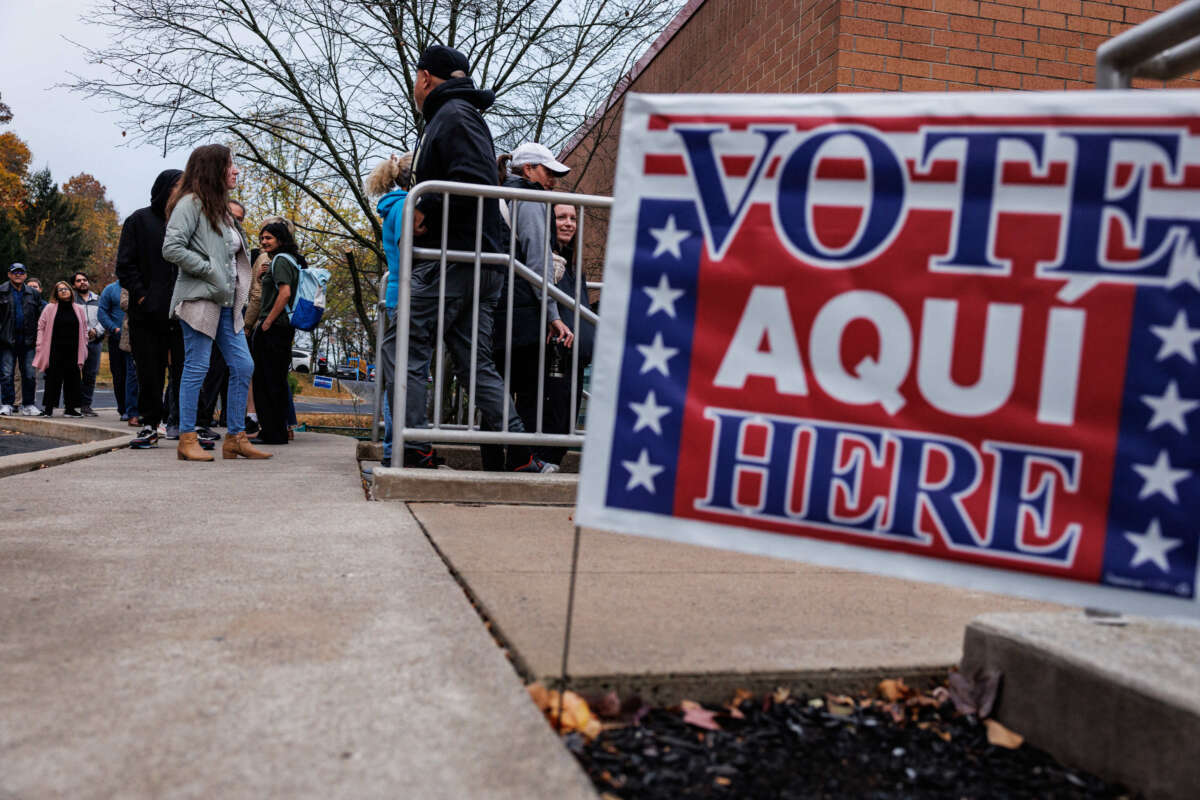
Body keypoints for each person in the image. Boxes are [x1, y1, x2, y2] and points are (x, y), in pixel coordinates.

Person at [405, 44, 550, 472]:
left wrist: (423, 208)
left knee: (407, 344)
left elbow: (473, 176)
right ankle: (521, 453)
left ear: (426, 76)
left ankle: (412, 446)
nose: (416, 86)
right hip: (479, 259)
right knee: (474, 360)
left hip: (458, 257)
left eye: (416, 78)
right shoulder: (461, 114)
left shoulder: (453, 116)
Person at [162, 144, 268, 461]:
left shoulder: (219, 208)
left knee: (243, 364)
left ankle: (235, 437)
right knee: (196, 366)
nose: (236, 171)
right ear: (213, 169)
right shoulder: (190, 204)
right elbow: (172, 247)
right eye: (230, 165)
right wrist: (208, 269)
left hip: (226, 304)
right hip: (199, 300)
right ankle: (187, 437)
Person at [485, 143, 576, 472]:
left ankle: (494, 465)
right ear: (528, 170)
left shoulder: (499, 193)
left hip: (494, 304)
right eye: (548, 171)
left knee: (495, 388)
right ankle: (521, 462)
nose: (553, 179)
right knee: (527, 391)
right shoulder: (532, 198)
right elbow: (537, 260)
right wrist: (552, 314)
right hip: (521, 307)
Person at [115, 169, 186, 449]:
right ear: (165, 188)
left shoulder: (188, 221)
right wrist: (143, 297)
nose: (183, 192)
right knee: (149, 371)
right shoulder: (139, 220)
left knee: (184, 370)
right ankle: (149, 424)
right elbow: (125, 265)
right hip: (146, 312)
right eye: (179, 186)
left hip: (182, 311)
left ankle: (184, 424)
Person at [365, 151, 413, 467]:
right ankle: (393, 452)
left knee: (400, 376)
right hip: (405, 296)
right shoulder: (407, 207)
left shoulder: (394, 206)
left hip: (400, 295)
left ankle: (393, 450)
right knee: (401, 379)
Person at [250, 221, 302, 445]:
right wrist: (265, 276)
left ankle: (271, 432)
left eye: (269, 238)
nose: (263, 242)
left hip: (274, 327)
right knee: (276, 379)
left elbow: (285, 293)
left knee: (266, 380)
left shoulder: (280, 260)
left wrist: (267, 322)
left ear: (280, 240)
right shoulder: (287, 260)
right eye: (262, 238)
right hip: (283, 328)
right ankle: (277, 430)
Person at [33, 281, 87, 417]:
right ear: (56, 293)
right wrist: (39, 344)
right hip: (54, 349)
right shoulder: (50, 308)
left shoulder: (78, 309)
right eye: (60, 290)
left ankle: (70, 409)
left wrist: (85, 344)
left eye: (66, 289)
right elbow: (41, 327)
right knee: (53, 379)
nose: (63, 291)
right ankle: (48, 409)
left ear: (71, 291)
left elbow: (85, 329)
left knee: (73, 379)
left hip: (73, 349)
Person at [0, 263, 44, 415]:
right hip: (6, 341)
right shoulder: (1, 291)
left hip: (29, 341)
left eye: (21, 272)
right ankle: (7, 404)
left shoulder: (33, 294)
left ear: (25, 275)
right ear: (9, 274)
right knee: (6, 374)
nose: (18, 274)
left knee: (30, 375)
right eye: (15, 272)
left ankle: (29, 405)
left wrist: (39, 338)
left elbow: (41, 317)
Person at [97, 277, 139, 424]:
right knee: (119, 374)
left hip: (135, 336)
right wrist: (114, 328)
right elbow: (102, 312)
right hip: (117, 337)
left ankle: (132, 409)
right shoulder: (110, 289)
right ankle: (123, 408)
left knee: (133, 374)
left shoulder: (138, 284)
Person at [71, 272, 105, 416]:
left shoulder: (99, 299)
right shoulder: (71, 300)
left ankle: (86, 406)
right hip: (74, 342)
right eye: (79, 281)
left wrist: (96, 331)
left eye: (85, 280)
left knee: (90, 375)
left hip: (94, 342)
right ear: (74, 285)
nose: (83, 282)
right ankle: (71, 406)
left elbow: (104, 317)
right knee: (72, 374)